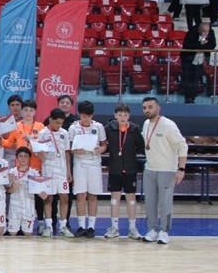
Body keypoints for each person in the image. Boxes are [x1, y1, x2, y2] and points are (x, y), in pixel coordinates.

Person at [141, 97, 188, 244]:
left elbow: (182, 145)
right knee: (150, 202)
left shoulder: (168, 125)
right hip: (149, 169)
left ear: (158, 108)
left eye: (150, 107)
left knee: (165, 203)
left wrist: (181, 168)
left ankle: (164, 231)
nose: (147, 110)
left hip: (167, 170)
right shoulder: (146, 124)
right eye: (144, 108)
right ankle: (152, 230)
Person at [104, 103, 145, 239]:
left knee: (131, 198)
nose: (122, 117)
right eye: (120, 114)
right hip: (114, 168)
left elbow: (142, 147)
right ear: (115, 115)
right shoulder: (108, 129)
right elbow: (102, 144)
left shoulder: (134, 129)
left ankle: (132, 229)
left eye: (125, 115)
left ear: (129, 116)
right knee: (115, 197)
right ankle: (114, 228)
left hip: (130, 169)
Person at [68, 101, 107, 238]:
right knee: (80, 195)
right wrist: (75, 151)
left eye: (89, 116)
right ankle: (81, 226)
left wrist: (101, 149)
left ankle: (91, 226)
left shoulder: (98, 127)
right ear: (79, 114)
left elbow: (104, 144)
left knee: (93, 195)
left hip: (94, 163)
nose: (86, 119)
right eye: (84, 116)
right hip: (80, 164)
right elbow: (69, 148)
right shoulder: (73, 128)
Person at [36, 108, 72, 237]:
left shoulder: (65, 133)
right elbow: (38, 155)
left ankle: (63, 226)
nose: (59, 125)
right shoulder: (43, 133)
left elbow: (67, 153)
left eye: (61, 123)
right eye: (57, 122)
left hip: (62, 171)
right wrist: (40, 154)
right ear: (50, 119)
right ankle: (49, 226)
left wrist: (69, 171)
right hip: (48, 170)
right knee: (49, 198)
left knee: (64, 198)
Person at [7, 147, 42, 237]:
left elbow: (41, 194)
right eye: (21, 156)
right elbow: (7, 190)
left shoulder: (34, 173)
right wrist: (13, 188)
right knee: (12, 233)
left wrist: (43, 194)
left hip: (28, 208)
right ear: (17, 158)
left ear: (29, 158)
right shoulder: (11, 172)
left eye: (25, 156)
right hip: (15, 208)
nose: (23, 158)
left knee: (28, 234)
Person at [181, 22, 216, 103]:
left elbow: (212, 45)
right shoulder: (191, 32)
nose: (206, 33)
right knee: (187, 78)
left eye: (207, 31)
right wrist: (200, 43)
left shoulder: (211, 32)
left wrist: (200, 46)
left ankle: (192, 97)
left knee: (196, 78)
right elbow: (187, 45)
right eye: (203, 31)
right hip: (188, 58)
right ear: (199, 29)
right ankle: (187, 97)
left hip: (201, 59)